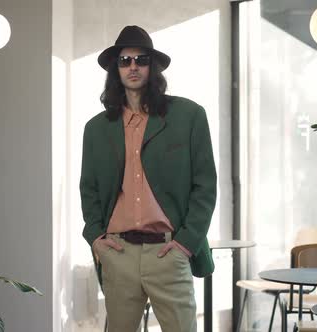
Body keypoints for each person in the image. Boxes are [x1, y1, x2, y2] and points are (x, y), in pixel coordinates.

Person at [79, 25, 217, 332]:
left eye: (141, 59)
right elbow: (88, 189)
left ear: (151, 66)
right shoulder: (96, 129)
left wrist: (186, 243)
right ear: (115, 69)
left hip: (169, 252)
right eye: (125, 60)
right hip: (118, 253)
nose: (133, 66)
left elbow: (205, 186)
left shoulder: (189, 116)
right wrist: (96, 238)